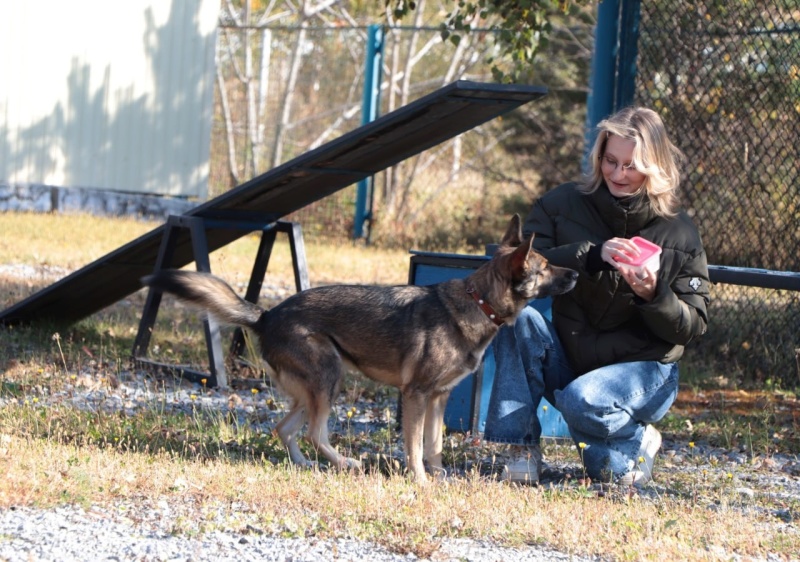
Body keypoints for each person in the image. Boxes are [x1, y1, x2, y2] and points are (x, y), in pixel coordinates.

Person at [483, 106, 710, 486]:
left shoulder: (681, 233)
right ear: (599, 156)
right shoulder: (562, 204)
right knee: (516, 318)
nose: (618, 174)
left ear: (654, 167)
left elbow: (694, 326)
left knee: (589, 421)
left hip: (646, 370)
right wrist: (590, 254)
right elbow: (514, 266)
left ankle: (638, 438)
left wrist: (654, 295)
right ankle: (521, 449)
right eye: (610, 161)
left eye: (631, 165)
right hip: (574, 361)